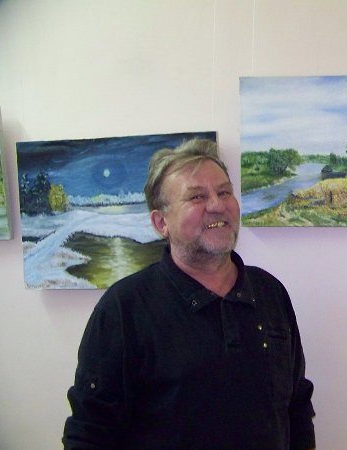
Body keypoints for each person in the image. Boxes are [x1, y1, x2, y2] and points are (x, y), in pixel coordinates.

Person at [62, 139, 315, 450]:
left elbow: (297, 406)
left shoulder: (269, 292)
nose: (217, 205)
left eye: (224, 192)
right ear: (161, 223)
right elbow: (89, 433)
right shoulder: (123, 309)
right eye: (197, 196)